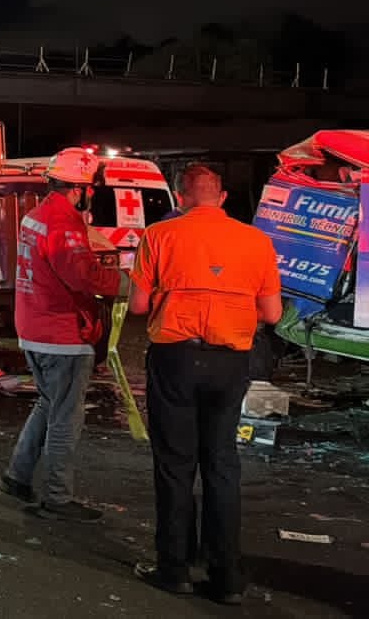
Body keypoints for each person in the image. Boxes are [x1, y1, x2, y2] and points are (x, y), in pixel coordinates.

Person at [128, 165, 281, 605]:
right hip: (230, 362)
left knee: (175, 464)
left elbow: (138, 305)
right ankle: (227, 577)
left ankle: (174, 568)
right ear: (223, 196)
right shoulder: (257, 241)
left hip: (175, 358)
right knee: (221, 463)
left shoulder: (159, 235)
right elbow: (272, 314)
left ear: (180, 196)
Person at [2, 147, 123, 522]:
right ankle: (57, 496)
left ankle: (18, 475)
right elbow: (81, 276)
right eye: (90, 188)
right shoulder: (64, 223)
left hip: (34, 326)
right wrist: (125, 284)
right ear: (79, 188)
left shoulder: (37, 215)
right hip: (62, 334)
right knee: (65, 419)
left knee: (48, 403)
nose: (92, 194)